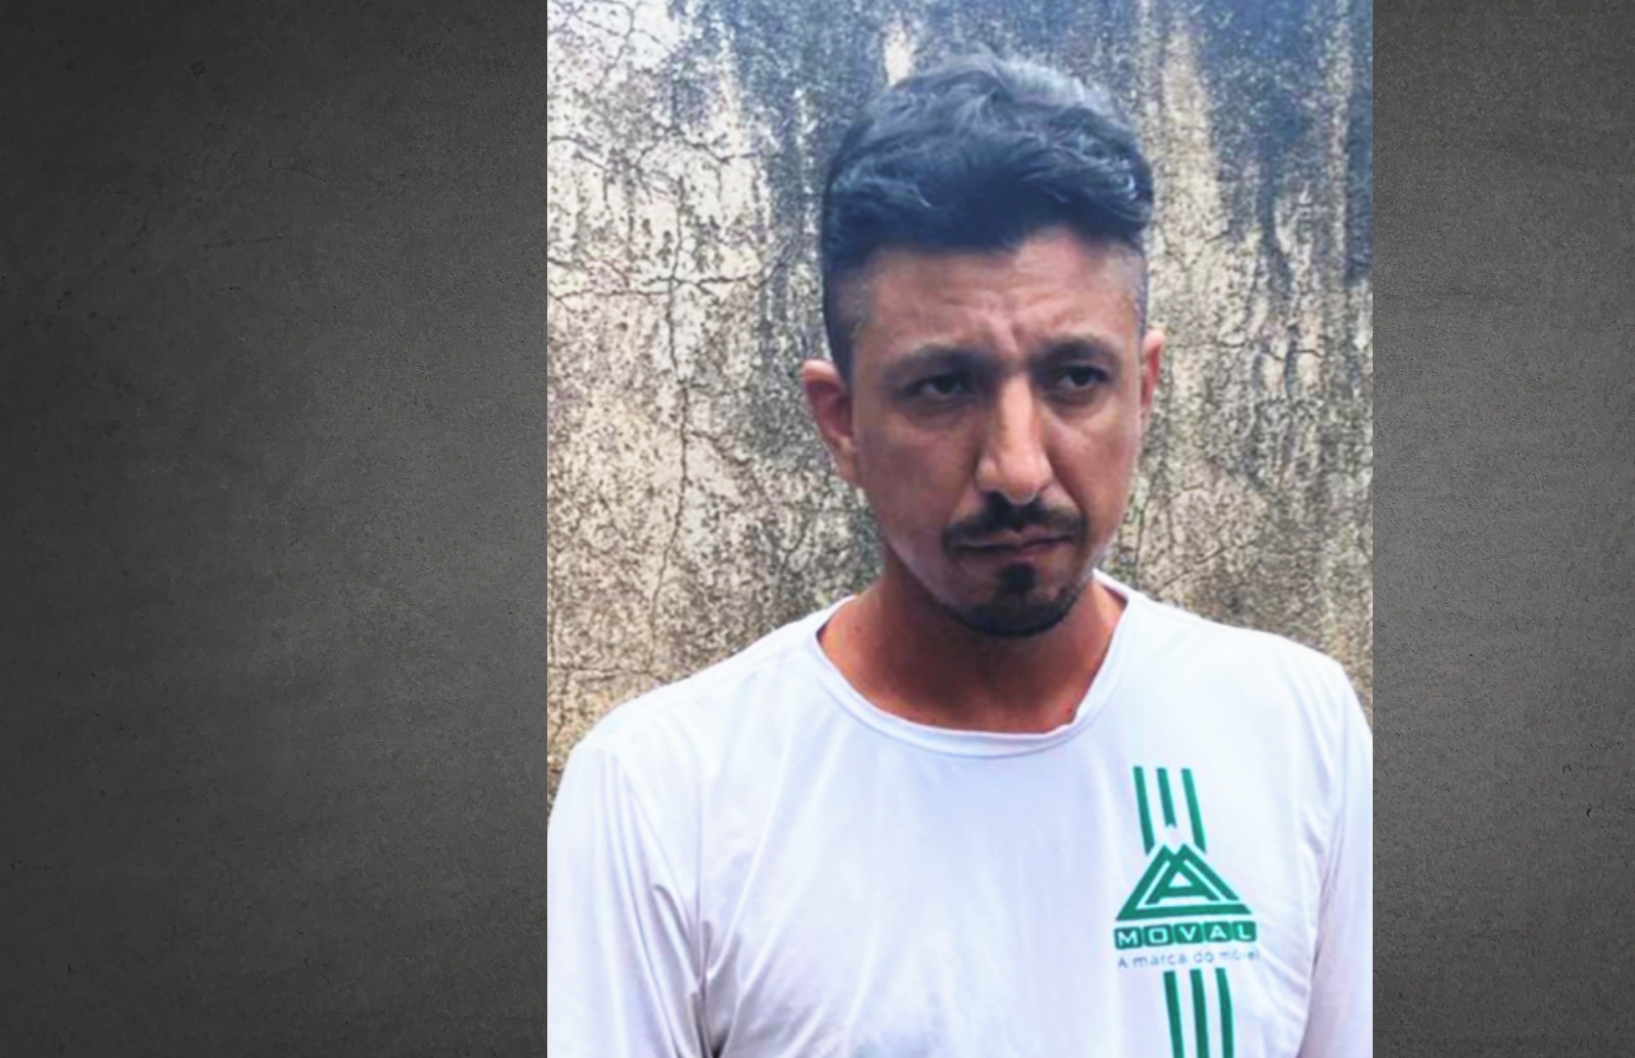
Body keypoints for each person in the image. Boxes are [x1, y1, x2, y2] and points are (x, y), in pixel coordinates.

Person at [547, 53, 1372, 1058]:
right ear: (840, 421)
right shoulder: (661, 794)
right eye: (943, 386)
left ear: (1145, 390)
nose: (1017, 467)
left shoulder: (1294, 731)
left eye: (1076, 377)